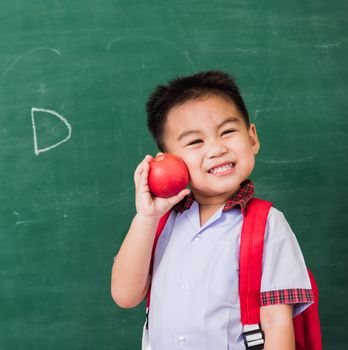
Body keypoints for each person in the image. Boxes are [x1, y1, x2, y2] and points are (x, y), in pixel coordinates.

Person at [111, 71, 313, 349]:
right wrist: (146, 217)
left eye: (227, 132)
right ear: (169, 159)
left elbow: (277, 324)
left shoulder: (267, 224)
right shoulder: (159, 223)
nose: (217, 149)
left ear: (252, 138)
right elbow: (125, 295)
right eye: (195, 142)